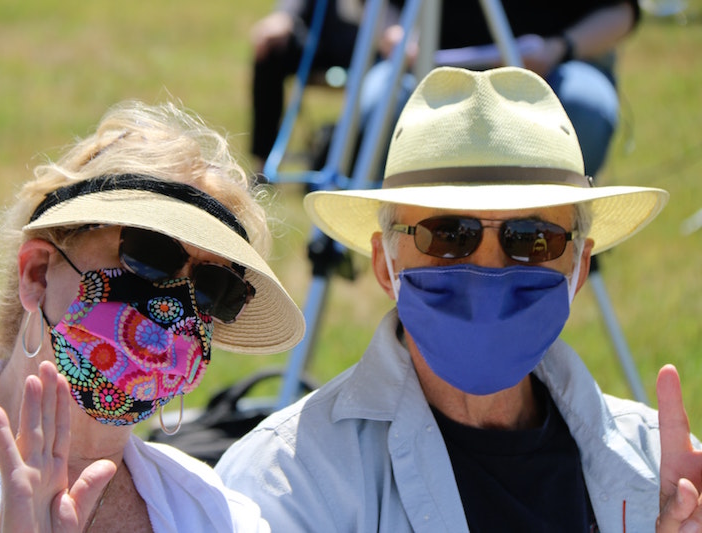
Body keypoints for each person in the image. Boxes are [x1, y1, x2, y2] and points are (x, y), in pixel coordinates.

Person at [216, 66, 701, 531]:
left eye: (531, 238)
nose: (489, 267)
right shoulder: (290, 484)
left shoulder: (658, 471)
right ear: (385, 264)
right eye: (448, 234)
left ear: (578, 268)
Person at [0, 99, 305, 531]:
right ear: (37, 274)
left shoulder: (217, 515)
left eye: (212, 288)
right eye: (150, 255)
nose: (176, 308)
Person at [358, 0, 639, 181]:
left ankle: (553, 227)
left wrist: (559, 47)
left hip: (551, 66)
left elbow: (620, 10)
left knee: (585, 106)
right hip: (423, 70)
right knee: (379, 104)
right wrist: (395, 36)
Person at [249, 0, 362, 174]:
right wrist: (282, 19)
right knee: (271, 50)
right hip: (318, 37)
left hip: (368, 37)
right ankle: (263, 164)